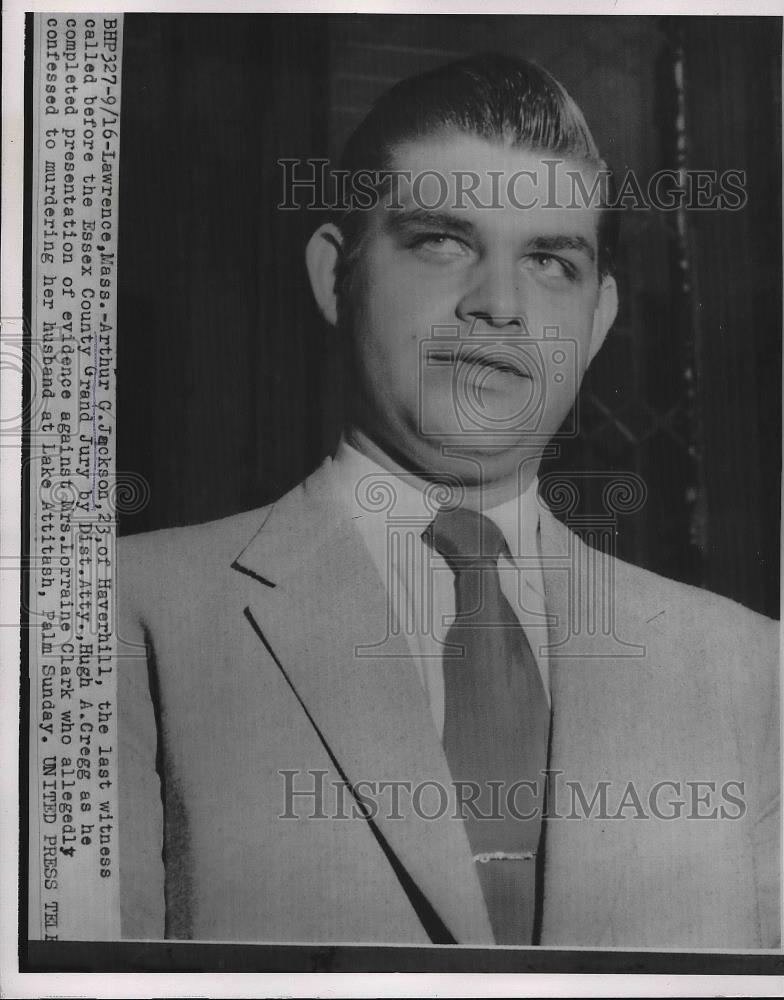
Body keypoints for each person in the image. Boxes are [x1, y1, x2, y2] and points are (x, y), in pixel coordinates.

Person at [117, 54, 779, 948]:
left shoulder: (750, 671)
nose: (499, 304)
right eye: (441, 241)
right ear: (334, 274)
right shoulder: (125, 613)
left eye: (550, 260)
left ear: (599, 320)